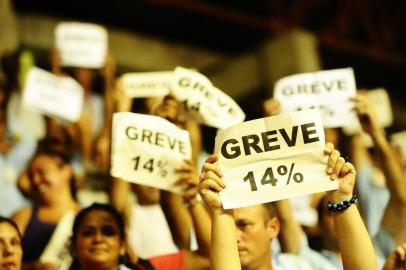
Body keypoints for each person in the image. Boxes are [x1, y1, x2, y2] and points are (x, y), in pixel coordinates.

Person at [198, 142, 378, 270]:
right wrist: (221, 212)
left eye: (244, 224)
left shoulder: (300, 266)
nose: (235, 237)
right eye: (232, 226)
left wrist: (342, 197)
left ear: (273, 228)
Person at [69, 203, 209, 270]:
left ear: (123, 244)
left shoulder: (148, 268)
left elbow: (207, 256)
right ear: (73, 244)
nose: (98, 239)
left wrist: (192, 201)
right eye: (88, 233)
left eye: (108, 232)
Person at [11, 140, 80, 269]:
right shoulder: (24, 216)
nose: (36, 181)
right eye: (32, 176)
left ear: (66, 171)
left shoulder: (86, 218)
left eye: (42, 172)